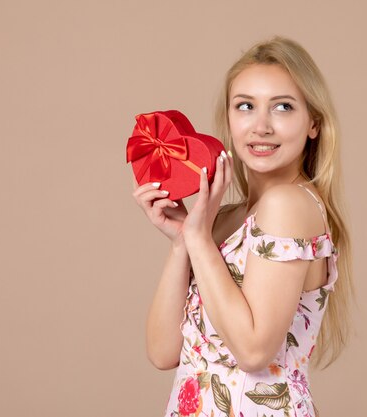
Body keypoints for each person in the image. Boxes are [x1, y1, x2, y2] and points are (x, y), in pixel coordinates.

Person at [132, 36, 353, 417]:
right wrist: (183, 242)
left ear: (313, 123)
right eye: (245, 106)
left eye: (283, 107)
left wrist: (199, 240)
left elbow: (252, 351)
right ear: (230, 118)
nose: (261, 126)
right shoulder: (223, 219)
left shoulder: (290, 205)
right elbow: (163, 352)